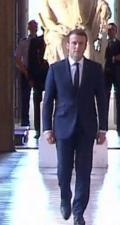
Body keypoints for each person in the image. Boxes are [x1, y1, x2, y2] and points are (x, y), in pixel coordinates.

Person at [42, 29, 108, 225]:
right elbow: (47, 101)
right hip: (62, 128)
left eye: (80, 43)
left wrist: (102, 129)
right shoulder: (55, 69)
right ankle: (65, 198)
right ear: (67, 45)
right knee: (63, 170)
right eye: (73, 43)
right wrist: (47, 129)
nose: (77, 46)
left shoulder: (95, 70)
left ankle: (79, 212)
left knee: (84, 171)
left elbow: (102, 100)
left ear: (85, 45)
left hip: (87, 128)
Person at [15, 20, 38, 127]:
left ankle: (39, 123)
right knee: (25, 98)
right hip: (25, 71)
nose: (33, 28)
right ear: (28, 28)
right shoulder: (23, 42)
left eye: (35, 26)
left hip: (38, 72)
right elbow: (17, 58)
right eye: (31, 26)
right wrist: (25, 71)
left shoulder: (41, 42)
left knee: (38, 98)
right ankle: (25, 122)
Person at [28, 31, 49, 138]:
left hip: (51, 76)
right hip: (37, 78)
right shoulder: (35, 42)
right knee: (37, 103)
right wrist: (31, 77)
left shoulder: (54, 41)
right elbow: (30, 60)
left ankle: (49, 128)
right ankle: (38, 129)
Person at [104, 23, 120, 134]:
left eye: (112, 30)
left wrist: (114, 58)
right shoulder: (102, 43)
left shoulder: (118, 44)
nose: (110, 32)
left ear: (116, 31)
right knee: (104, 99)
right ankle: (103, 127)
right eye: (108, 30)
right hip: (105, 74)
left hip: (117, 74)